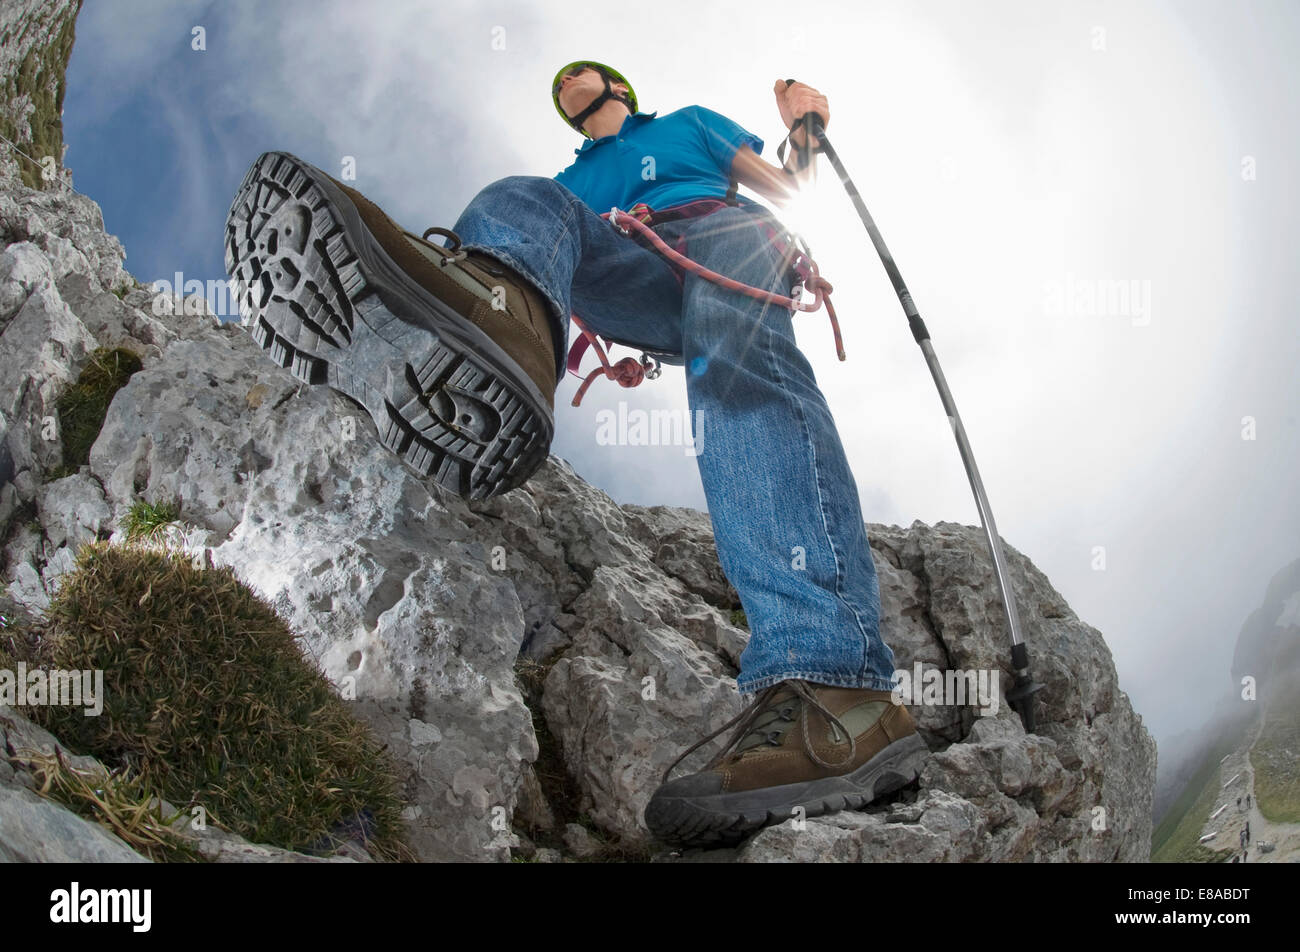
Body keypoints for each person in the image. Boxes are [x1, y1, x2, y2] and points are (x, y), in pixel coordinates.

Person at [224, 59, 927, 850]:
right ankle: (499, 322)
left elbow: (788, 185)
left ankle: (838, 685)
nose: (571, 84)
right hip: (632, 263)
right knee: (518, 200)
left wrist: (806, 123)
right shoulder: (576, 176)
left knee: (734, 363)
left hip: (727, 236)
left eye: (583, 75)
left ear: (619, 86)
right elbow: (560, 241)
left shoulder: (688, 124)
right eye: (561, 86)